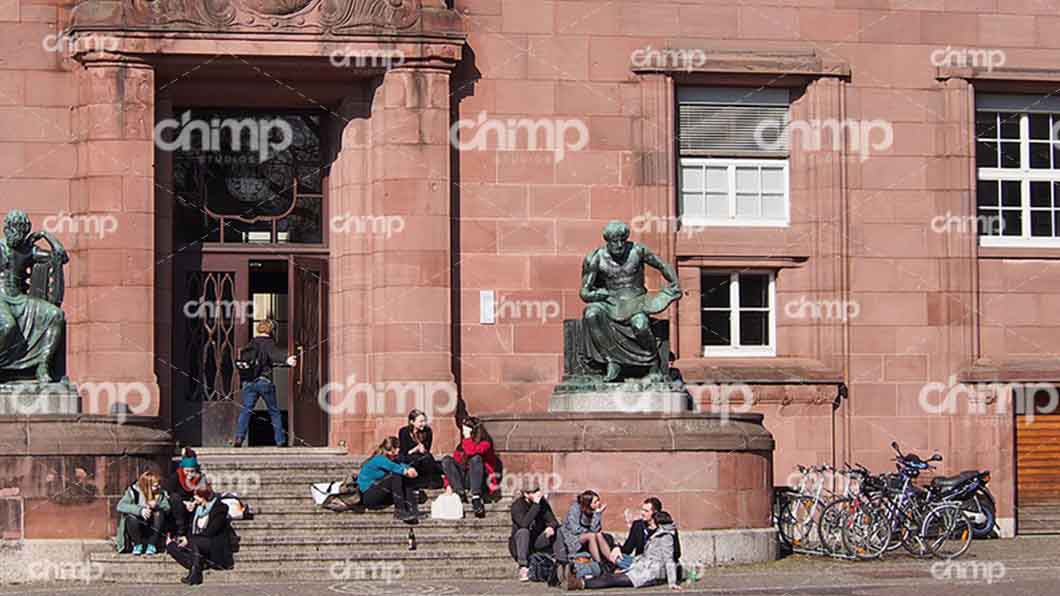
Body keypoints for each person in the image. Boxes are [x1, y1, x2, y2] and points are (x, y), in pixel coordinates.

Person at [568, 511, 681, 591]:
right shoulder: (658, 534)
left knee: (613, 580)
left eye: (652, 523)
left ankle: (580, 583)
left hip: (649, 574)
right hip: (641, 567)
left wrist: (672, 583)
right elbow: (631, 549)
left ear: (659, 524)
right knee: (611, 575)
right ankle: (579, 579)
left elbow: (669, 560)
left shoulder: (666, 537)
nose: (650, 525)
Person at [233, 319, 296, 447]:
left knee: (246, 410)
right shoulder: (269, 343)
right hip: (264, 381)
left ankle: (239, 438)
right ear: (271, 330)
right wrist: (287, 359)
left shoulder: (251, 343)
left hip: (249, 382)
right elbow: (274, 355)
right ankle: (280, 440)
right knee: (274, 411)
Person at [165, 484, 235, 585]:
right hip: (197, 546)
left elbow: (211, 531)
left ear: (203, 497)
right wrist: (183, 538)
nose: (194, 498)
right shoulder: (197, 509)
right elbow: (190, 528)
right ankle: (199, 565)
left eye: (196, 496)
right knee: (171, 546)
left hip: (213, 545)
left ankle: (195, 575)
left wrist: (189, 539)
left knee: (194, 542)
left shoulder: (220, 509)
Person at [441, 416, 501, 518]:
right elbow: (454, 464)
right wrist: (447, 484)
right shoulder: (463, 444)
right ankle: (460, 492)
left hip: (480, 480)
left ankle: (476, 497)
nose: (463, 432)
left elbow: (471, 451)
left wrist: (468, 438)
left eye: (465, 429)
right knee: (447, 460)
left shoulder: (485, 443)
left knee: (476, 458)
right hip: (465, 478)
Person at [358, 437, 424, 523]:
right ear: (391, 449)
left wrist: (410, 469)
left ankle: (411, 509)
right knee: (395, 475)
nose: (399, 449)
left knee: (404, 479)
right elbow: (395, 468)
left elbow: (401, 465)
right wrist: (407, 471)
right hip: (369, 496)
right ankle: (399, 510)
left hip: (380, 493)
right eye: (397, 447)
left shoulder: (391, 460)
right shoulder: (379, 459)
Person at [508, 485, 566, 582]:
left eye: (538, 491)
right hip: (521, 544)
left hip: (537, 541)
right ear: (526, 494)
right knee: (523, 531)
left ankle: (561, 562)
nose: (538, 494)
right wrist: (535, 505)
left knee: (558, 530)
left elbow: (553, 521)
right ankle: (523, 567)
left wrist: (551, 527)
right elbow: (524, 524)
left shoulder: (542, 503)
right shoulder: (517, 506)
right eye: (534, 492)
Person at [610, 497, 682, 568]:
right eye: (642, 510)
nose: (642, 513)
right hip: (641, 563)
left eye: (646, 511)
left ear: (655, 513)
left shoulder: (667, 527)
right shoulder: (638, 526)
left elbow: (677, 553)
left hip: (658, 565)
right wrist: (617, 548)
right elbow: (627, 549)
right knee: (618, 559)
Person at [115, 471, 170, 556]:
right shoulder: (133, 491)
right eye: (155, 486)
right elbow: (121, 506)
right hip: (137, 525)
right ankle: (137, 545)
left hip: (153, 525)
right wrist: (140, 510)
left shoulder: (160, 492)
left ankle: (151, 545)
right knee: (131, 518)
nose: (158, 487)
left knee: (159, 514)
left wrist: (157, 505)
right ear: (147, 486)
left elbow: (167, 507)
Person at [562, 490, 617, 565]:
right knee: (591, 536)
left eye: (598, 500)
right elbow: (575, 529)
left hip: (586, 535)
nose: (598, 503)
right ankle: (598, 563)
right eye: (595, 502)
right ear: (588, 503)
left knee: (598, 534)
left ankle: (612, 560)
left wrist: (597, 514)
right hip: (572, 538)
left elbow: (596, 530)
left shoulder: (593, 511)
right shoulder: (575, 509)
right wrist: (589, 531)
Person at [162, 448, 203, 538]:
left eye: (192, 471)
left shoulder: (200, 477)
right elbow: (168, 492)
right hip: (178, 503)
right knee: (175, 498)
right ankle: (180, 530)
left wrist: (194, 502)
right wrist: (185, 503)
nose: (189, 474)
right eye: (187, 471)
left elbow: (203, 493)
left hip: (193, 502)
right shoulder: (176, 477)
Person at [398, 409, 445, 488]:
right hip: (408, 457)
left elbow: (427, 449)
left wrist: (423, 450)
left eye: (424, 421)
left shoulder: (427, 431)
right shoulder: (404, 431)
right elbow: (404, 452)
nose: (424, 423)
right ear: (412, 422)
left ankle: (432, 480)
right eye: (421, 421)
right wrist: (415, 449)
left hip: (422, 458)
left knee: (428, 458)